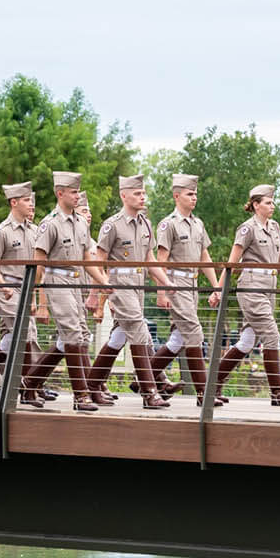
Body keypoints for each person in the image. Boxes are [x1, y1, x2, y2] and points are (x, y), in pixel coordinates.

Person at [21, 172, 112, 412]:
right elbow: (38, 262)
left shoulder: (80, 223)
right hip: (57, 281)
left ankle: (30, 382)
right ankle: (81, 395)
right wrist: (36, 298)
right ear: (59, 193)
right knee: (72, 335)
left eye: (78, 192)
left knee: (78, 335)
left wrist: (102, 280)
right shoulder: (49, 224)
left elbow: (85, 258)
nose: (77, 196)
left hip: (75, 283)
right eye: (73, 192)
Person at [215, 184, 280, 407]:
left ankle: (213, 383)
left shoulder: (275, 227)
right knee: (272, 336)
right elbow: (233, 261)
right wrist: (219, 289)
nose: (272, 206)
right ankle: (278, 392)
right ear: (256, 205)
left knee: (247, 341)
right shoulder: (247, 229)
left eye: (273, 202)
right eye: (268, 202)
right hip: (252, 286)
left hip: (269, 286)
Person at [87, 174, 167, 409]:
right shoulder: (112, 224)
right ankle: (149, 391)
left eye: (143, 193)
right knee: (139, 330)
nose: (142, 197)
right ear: (124, 195)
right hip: (119, 282)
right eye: (137, 193)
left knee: (120, 335)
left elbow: (150, 259)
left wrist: (166, 284)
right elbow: (98, 260)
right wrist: (97, 292)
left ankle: (91, 385)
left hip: (138, 282)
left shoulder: (146, 224)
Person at [152, 174, 224, 406]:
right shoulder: (168, 224)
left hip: (191, 284)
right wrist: (161, 292)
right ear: (176, 196)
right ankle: (204, 393)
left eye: (195, 194)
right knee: (194, 333)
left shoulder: (198, 224)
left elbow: (205, 257)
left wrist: (216, 287)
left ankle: (144, 378)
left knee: (180, 337)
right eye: (189, 194)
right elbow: (160, 259)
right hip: (175, 284)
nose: (194, 198)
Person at [0, 181, 48, 407]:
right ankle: (28, 391)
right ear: (14, 202)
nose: (32, 204)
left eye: (32, 200)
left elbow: (39, 268)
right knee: (25, 335)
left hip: (26, 288)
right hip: (8, 290)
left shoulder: (35, 230)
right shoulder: (2, 232)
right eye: (27, 200)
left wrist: (36, 298)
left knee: (12, 340)